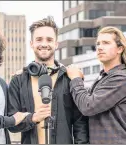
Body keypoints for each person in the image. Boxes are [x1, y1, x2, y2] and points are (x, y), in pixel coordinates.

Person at [7, 16, 89, 144]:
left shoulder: (70, 78)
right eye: (39, 39)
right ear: (31, 43)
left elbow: (80, 124)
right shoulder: (18, 80)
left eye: (49, 40)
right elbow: (11, 124)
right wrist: (32, 118)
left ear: (56, 44)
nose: (44, 44)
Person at [66, 26, 126, 144]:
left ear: (120, 49)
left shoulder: (122, 79)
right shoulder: (103, 77)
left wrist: (75, 79)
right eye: (98, 44)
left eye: (106, 43)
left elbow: (88, 106)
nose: (100, 47)